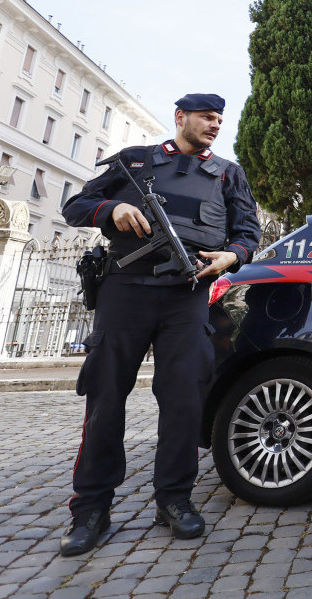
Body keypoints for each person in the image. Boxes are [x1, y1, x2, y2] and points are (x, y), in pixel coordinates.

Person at [57, 94, 261, 557]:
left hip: (186, 297)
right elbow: (75, 205)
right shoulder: (133, 162)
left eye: (219, 119)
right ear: (180, 118)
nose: (214, 124)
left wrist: (233, 255)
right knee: (105, 398)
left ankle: (174, 500)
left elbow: (248, 234)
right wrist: (109, 211)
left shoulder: (229, 174)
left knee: (185, 400)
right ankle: (91, 507)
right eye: (206, 117)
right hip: (125, 290)